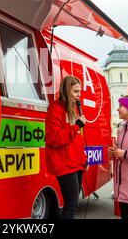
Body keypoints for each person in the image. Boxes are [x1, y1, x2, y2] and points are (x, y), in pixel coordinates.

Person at [45, 75, 87, 219]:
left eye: (79, 92)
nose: (78, 96)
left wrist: (83, 159)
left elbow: (77, 140)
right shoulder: (55, 109)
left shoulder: (72, 110)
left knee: (73, 204)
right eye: (75, 92)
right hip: (64, 163)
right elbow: (54, 138)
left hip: (76, 163)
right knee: (71, 205)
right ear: (66, 90)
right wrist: (76, 127)